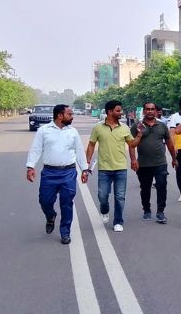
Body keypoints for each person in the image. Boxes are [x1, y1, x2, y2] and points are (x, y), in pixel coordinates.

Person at [26, 104, 90, 244]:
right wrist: (30, 167)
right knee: (45, 201)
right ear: (60, 115)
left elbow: (79, 151)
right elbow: (36, 149)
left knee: (66, 203)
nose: (72, 117)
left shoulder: (73, 132)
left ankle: (65, 232)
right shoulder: (44, 131)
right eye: (69, 114)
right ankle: (50, 216)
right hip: (49, 172)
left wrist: (85, 170)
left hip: (68, 172)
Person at [86, 100, 140, 232]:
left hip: (120, 168)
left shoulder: (124, 128)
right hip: (104, 169)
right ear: (110, 112)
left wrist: (139, 136)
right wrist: (87, 163)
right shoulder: (98, 127)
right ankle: (104, 210)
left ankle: (118, 221)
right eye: (118, 110)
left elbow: (132, 144)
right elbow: (91, 144)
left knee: (120, 197)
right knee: (102, 195)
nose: (121, 113)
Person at [129, 102, 177, 224]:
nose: (150, 111)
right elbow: (131, 144)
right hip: (143, 164)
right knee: (145, 188)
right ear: (144, 111)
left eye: (152, 109)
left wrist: (174, 158)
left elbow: (169, 143)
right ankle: (147, 210)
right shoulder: (137, 126)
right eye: (147, 109)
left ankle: (160, 212)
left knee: (162, 187)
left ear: (155, 111)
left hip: (160, 163)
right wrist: (133, 160)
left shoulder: (162, 126)